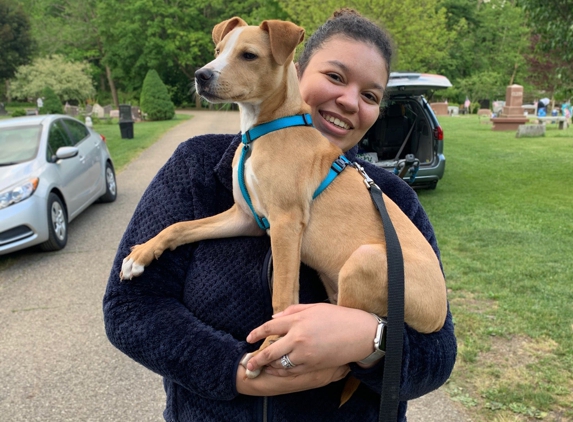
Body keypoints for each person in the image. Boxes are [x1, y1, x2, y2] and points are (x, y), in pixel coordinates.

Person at [103, 9, 456, 422]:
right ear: (297, 68)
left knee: (362, 265)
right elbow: (129, 310)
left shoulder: (393, 195)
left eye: (371, 96)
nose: (348, 100)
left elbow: (438, 353)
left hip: (387, 304)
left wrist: (370, 339)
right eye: (336, 77)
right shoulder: (201, 165)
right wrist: (237, 370)